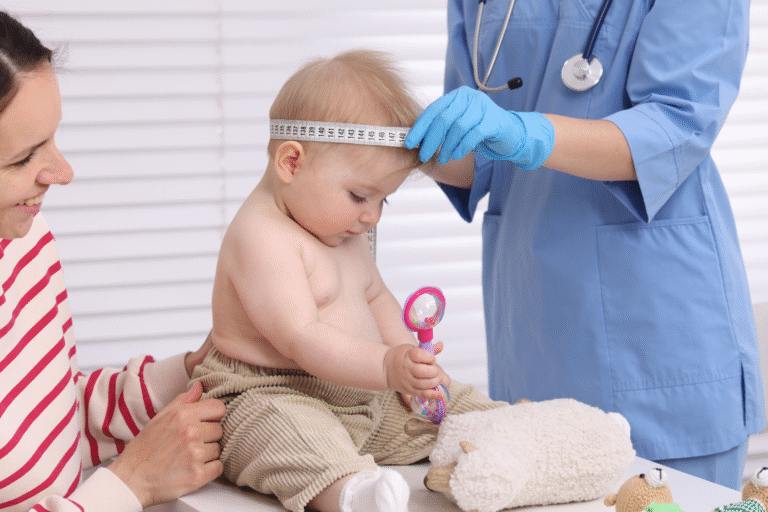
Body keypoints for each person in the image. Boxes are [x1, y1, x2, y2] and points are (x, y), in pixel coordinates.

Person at [403, 0, 764, 491]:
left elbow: (677, 124)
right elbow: (476, 154)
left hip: (655, 325)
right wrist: (394, 139)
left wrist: (527, 132)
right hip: (534, 329)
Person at [190, 49, 504, 512]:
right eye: (360, 195)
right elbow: (301, 336)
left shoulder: (338, 229)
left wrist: (411, 368)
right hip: (273, 390)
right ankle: (353, 494)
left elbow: (375, 296)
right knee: (289, 435)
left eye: (384, 202)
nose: (372, 217)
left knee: (450, 404)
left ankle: (528, 436)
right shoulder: (262, 236)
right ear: (291, 163)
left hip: (360, 393)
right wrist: (386, 366)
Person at [1, 11, 226, 512]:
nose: (63, 172)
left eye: (54, 139)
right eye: (23, 159)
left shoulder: (24, 241)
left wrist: (189, 373)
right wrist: (129, 486)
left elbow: (47, 424)